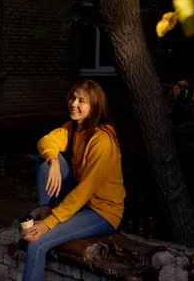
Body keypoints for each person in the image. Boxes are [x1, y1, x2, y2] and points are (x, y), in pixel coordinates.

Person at [20, 79, 126, 281]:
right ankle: (45, 212)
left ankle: (45, 220)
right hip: (83, 202)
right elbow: (45, 141)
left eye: (81, 101)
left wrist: (49, 224)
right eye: (73, 98)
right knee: (47, 160)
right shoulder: (74, 128)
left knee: (37, 243)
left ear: (94, 106)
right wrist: (54, 163)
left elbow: (85, 190)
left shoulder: (103, 140)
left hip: (102, 212)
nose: (74, 104)